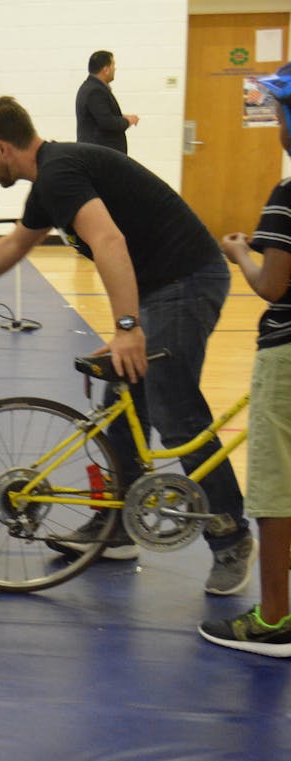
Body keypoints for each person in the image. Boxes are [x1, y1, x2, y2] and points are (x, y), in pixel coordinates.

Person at [0, 96, 256, 597]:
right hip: (159, 286)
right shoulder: (51, 176)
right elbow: (18, 245)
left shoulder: (60, 171)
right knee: (121, 402)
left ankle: (230, 536)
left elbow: (108, 241)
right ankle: (117, 528)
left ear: (1, 148)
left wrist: (127, 327)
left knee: (174, 407)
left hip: (186, 279)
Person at [201, 64, 291, 655]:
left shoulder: (287, 197)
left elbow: (273, 285)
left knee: (276, 492)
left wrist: (239, 252)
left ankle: (275, 619)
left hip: (285, 354)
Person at [76, 50, 137, 154]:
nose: (115, 69)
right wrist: (128, 121)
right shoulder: (95, 91)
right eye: (113, 65)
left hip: (100, 153)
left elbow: (100, 115)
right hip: (100, 155)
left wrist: (122, 117)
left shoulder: (91, 87)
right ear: (106, 70)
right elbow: (107, 122)